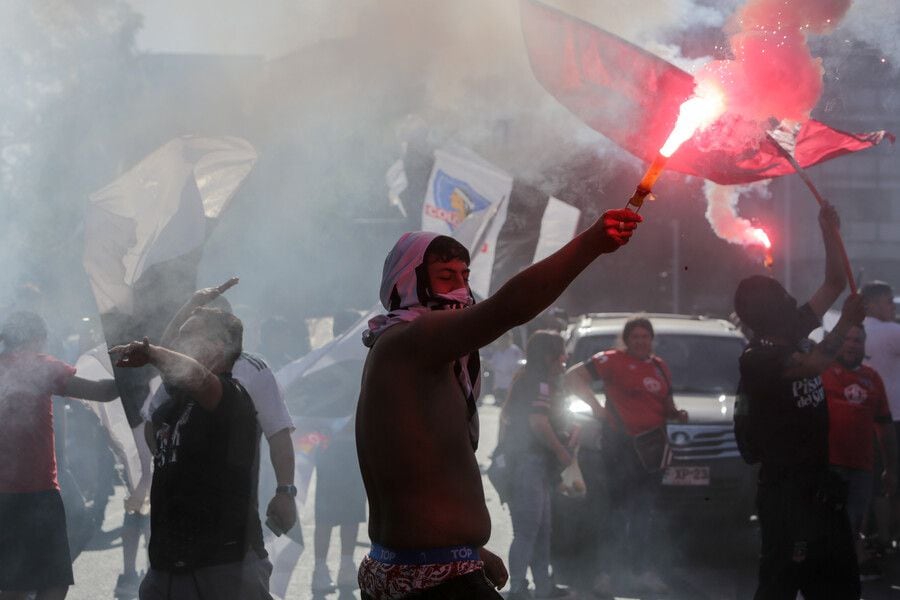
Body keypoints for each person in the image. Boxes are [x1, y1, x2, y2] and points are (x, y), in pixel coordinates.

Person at [356, 208, 641, 599]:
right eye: (445, 277)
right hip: (431, 579)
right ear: (407, 281)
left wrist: (468, 553)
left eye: (464, 277)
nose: (460, 290)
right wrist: (592, 242)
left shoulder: (413, 349)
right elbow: (508, 308)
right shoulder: (411, 338)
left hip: (429, 565)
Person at [733, 202, 863, 600]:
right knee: (782, 582)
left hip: (819, 485)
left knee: (839, 584)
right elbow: (815, 364)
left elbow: (834, 283)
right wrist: (845, 323)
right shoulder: (759, 359)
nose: (793, 300)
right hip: (787, 493)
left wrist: (828, 230)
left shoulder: (790, 329)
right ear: (767, 310)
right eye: (782, 297)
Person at [112, 307, 273, 599]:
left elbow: (198, 378)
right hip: (167, 565)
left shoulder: (231, 396)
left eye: (187, 337)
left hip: (225, 565)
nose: (178, 345)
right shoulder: (171, 405)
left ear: (218, 347)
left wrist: (153, 354)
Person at [141, 280, 298, 541]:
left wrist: (285, 491)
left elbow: (278, 433)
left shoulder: (250, 370)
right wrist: (168, 457)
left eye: (196, 329)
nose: (186, 339)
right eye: (186, 330)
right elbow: (152, 424)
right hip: (174, 523)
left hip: (229, 523)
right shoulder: (178, 376)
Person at [0, 311, 119, 600]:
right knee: (53, 580)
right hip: (38, 492)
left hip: (4, 496)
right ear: (37, 338)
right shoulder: (41, 366)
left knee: (12, 585)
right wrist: (131, 369)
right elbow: (103, 392)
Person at [564, 316, 687, 596]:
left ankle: (641, 571)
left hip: (652, 450)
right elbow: (573, 376)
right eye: (636, 337)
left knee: (644, 513)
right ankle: (605, 573)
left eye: (646, 337)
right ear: (627, 339)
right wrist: (597, 409)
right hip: (620, 447)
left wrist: (676, 414)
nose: (641, 341)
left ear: (652, 340)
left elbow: (666, 403)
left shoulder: (659, 366)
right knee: (615, 512)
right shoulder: (611, 360)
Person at [499, 331, 573, 599]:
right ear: (548, 356)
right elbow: (538, 423)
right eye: (561, 353)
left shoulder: (530, 381)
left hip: (531, 465)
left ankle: (543, 586)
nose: (565, 358)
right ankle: (518, 587)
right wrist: (562, 452)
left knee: (541, 532)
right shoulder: (538, 383)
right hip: (529, 466)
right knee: (529, 532)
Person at [823, 324, 897, 581]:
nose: (852, 345)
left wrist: (890, 468)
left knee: (853, 522)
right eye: (848, 339)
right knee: (828, 520)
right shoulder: (821, 373)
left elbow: (885, 429)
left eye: (858, 340)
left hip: (861, 467)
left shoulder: (872, 378)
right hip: (827, 464)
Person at [311, 310, 367, 594]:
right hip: (330, 450)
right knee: (325, 514)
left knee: (352, 512)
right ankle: (319, 568)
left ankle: (347, 565)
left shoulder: (363, 366)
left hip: (355, 451)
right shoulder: (325, 366)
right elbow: (312, 410)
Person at [860, 281, 900, 549]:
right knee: (893, 477)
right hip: (894, 418)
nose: (892, 307)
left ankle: (873, 535)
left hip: (863, 417)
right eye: (887, 302)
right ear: (872, 304)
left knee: (871, 480)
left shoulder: (855, 332)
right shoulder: (892, 331)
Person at [485, 331, 524, 404]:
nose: (502, 341)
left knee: (508, 404)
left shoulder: (515, 351)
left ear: (509, 339)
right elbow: (492, 365)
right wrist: (485, 363)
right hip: (498, 384)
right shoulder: (498, 352)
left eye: (504, 339)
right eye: (501, 339)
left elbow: (519, 364)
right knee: (499, 404)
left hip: (510, 384)